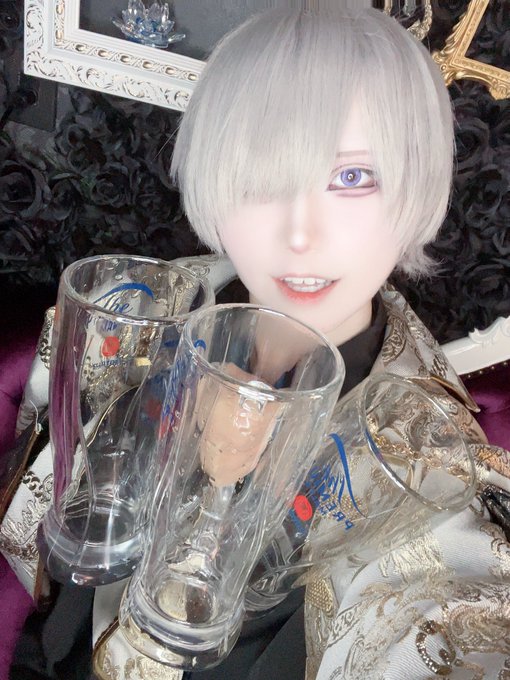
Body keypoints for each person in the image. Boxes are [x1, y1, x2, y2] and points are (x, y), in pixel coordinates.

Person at [5, 5, 510, 680]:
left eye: (353, 177)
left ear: (415, 184)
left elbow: (454, 625)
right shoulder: (135, 309)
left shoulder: (427, 464)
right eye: (263, 178)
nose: (301, 234)